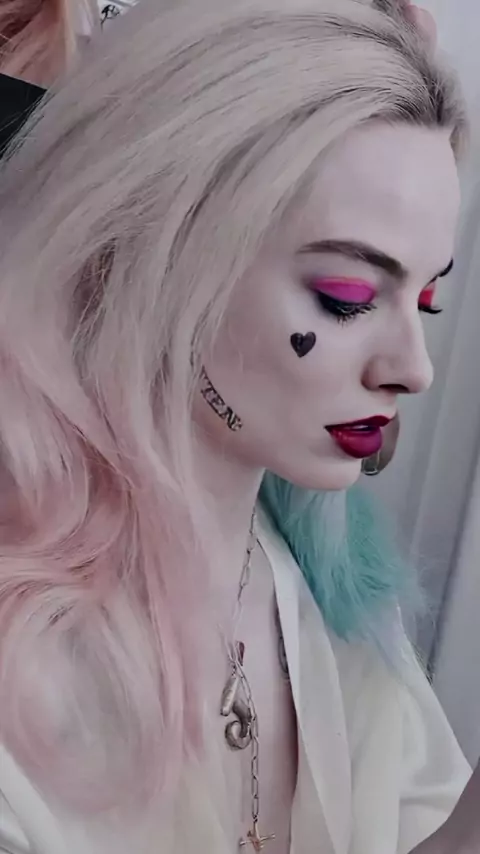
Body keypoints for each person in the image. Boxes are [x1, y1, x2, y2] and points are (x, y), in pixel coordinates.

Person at [0, 0, 475, 852]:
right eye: (347, 299)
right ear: (158, 256)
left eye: (428, 297)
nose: (414, 367)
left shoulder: (334, 606)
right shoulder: (25, 674)